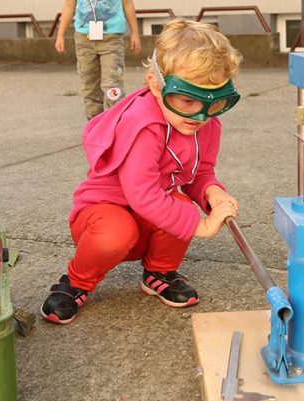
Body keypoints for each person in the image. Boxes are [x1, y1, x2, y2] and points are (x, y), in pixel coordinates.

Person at [41, 19, 242, 324]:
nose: (200, 115)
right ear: (156, 84)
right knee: (120, 229)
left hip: (146, 218)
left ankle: (158, 272)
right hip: (101, 217)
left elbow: (199, 173)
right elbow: (143, 195)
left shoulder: (206, 123)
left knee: (181, 204)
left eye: (213, 103)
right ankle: (77, 281)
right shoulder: (143, 125)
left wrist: (211, 192)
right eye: (188, 100)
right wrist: (200, 225)